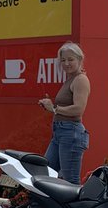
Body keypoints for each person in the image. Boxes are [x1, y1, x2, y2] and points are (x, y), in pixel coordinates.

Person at [38, 42, 90, 183]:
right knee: (46, 174)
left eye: (71, 59)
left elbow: (78, 109)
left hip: (71, 133)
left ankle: (76, 206)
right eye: (63, 60)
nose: (66, 63)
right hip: (60, 133)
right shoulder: (70, 79)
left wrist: (54, 109)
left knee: (70, 181)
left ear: (80, 59)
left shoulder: (80, 80)